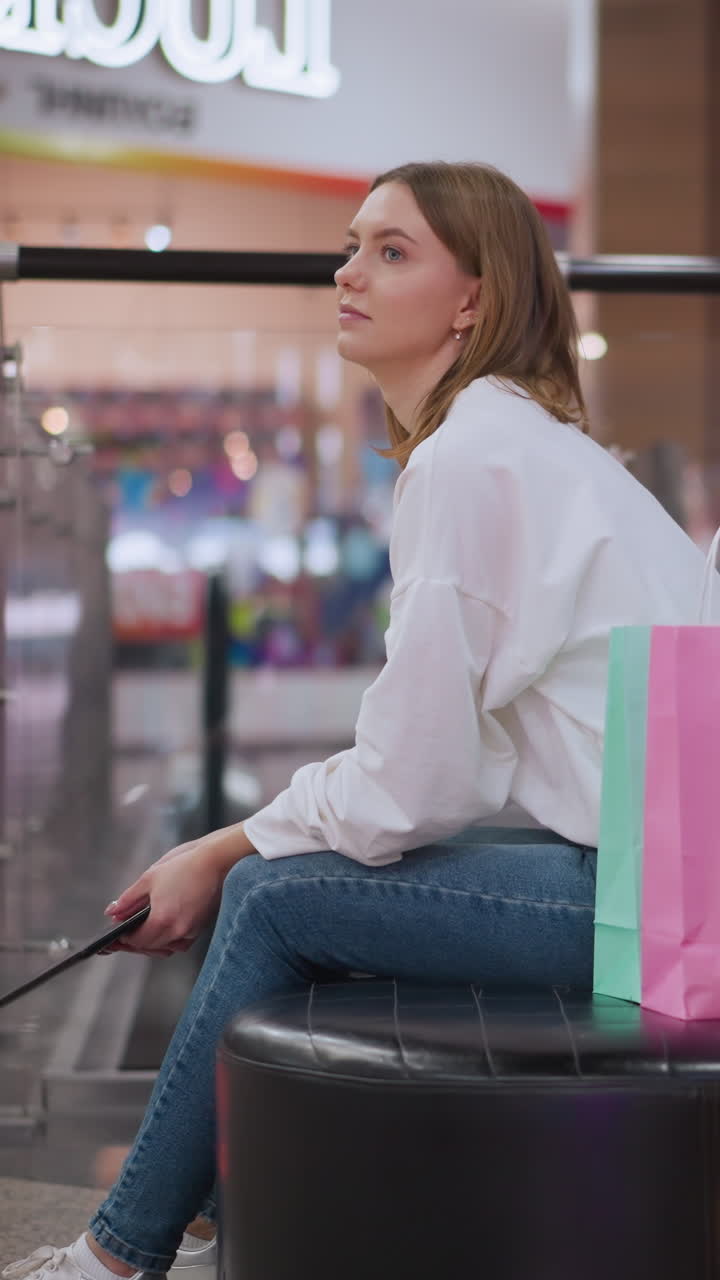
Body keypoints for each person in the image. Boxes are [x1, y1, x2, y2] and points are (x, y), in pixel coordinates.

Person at [4, 161, 716, 1280]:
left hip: (663, 906)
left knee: (276, 894)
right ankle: (204, 1229)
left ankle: (120, 1251)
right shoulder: (510, 441)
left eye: (393, 251)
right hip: (667, 875)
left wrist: (221, 842)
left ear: (472, 299)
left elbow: (410, 788)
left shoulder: (470, 459)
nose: (348, 271)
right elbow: (446, 777)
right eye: (352, 244)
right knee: (304, 874)